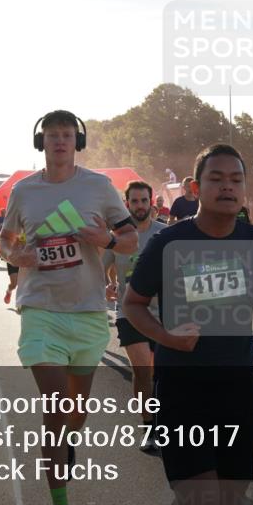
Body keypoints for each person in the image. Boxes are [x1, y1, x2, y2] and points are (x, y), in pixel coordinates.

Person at [123, 144, 253, 505]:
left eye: (236, 179)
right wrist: (167, 337)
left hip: (239, 385)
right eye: (216, 179)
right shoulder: (167, 242)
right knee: (201, 500)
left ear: (245, 189)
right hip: (182, 386)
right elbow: (133, 305)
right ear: (195, 186)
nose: (227, 187)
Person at [0, 110, 137, 505]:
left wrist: (106, 239)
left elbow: (130, 240)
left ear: (78, 141)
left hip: (89, 312)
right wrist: (16, 255)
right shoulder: (25, 191)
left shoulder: (98, 187)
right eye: (52, 135)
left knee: (77, 410)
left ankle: (68, 442)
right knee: (56, 409)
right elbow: (6, 240)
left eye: (67, 135)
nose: (59, 141)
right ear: (41, 142)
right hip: (41, 310)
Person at [102, 181, 166, 449]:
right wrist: (108, 285)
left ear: (152, 202)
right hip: (129, 313)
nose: (140, 206)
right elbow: (100, 270)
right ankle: (149, 426)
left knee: (163, 374)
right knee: (143, 371)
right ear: (126, 204)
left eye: (144, 200)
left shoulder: (166, 234)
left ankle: (164, 420)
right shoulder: (117, 238)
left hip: (164, 314)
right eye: (134, 201)